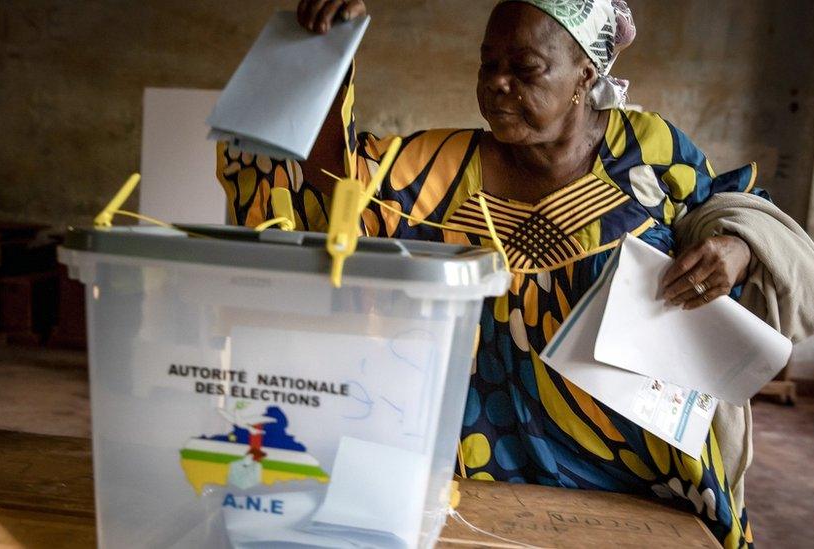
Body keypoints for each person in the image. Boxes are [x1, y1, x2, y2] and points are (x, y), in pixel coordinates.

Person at [216, 1, 767, 546]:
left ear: (585, 74)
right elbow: (337, 191)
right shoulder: (442, 167)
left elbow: (731, 209)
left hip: (640, 469)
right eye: (488, 65)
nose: (498, 84)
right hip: (480, 459)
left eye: (525, 68)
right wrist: (329, 53)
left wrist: (736, 248)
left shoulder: (648, 152)